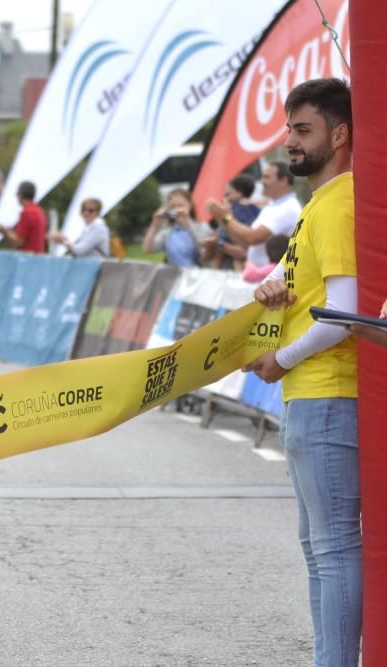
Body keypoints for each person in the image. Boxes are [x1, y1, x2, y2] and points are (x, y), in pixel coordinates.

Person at [245, 78, 360, 667]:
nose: (289, 140)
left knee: (333, 548)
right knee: (320, 548)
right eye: (289, 128)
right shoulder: (320, 204)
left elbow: (346, 313)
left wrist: (281, 357)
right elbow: (317, 296)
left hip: (328, 395)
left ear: (339, 135)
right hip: (310, 398)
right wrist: (280, 294)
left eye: (303, 129)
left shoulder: (339, 202)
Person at [207, 163, 300, 273]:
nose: (261, 181)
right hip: (262, 278)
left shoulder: (288, 208)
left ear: (284, 180)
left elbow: (253, 238)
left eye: (267, 177)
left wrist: (224, 217)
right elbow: (246, 243)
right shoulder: (273, 205)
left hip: (274, 280)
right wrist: (222, 220)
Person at [201, 174, 260, 270]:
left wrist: (217, 242)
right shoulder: (258, 210)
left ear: (239, 193)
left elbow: (225, 230)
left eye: (228, 194)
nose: (225, 199)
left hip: (231, 266)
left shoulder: (233, 210)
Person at [142, 187, 211, 266]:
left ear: (190, 205)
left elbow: (205, 253)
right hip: (175, 275)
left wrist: (188, 224)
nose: (177, 210)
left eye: (180, 205)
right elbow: (147, 249)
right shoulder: (167, 232)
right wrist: (154, 225)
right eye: (173, 207)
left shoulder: (203, 227)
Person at [0, 181, 47, 254]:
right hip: (37, 257)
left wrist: (4, 231)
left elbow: (19, 241)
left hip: (27, 258)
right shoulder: (39, 211)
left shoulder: (27, 213)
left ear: (20, 194)